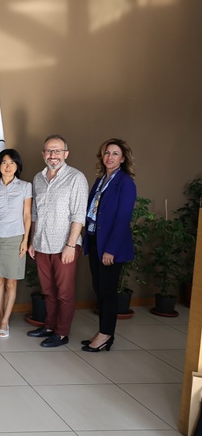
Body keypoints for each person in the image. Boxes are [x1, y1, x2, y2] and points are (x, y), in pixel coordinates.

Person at [27, 134, 89, 347]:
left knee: (64, 293)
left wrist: (71, 245)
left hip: (64, 246)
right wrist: (33, 241)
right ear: (43, 154)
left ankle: (61, 333)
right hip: (42, 244)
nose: (53, 155)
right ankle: (49, 326)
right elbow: (35, 213)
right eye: (49, 151)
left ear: (66, 154)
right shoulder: (38, 178)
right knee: (48, 291)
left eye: (57, 151)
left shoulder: (76, 178)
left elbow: (79, 215)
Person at [82, 139, 136, 352]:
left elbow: (123, 219)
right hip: (95, 240)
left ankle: (106, 334)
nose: (110, 157)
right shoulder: (101, 180)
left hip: (110, 246)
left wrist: (111, 250)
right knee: (99, 289)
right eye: (107, 153)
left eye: (115, 153)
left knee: (107, 291)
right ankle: (103, 332)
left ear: (122, 159)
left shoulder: (125, 182)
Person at [0, 149, 32, 338]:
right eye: (4, 162)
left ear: (17, 166)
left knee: (11, 282)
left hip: (15, 238)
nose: (8, 166)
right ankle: (0, 317)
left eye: (12, 163)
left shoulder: (25, 186)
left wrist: (25, 240)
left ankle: (5, 321)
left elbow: (27, 215)